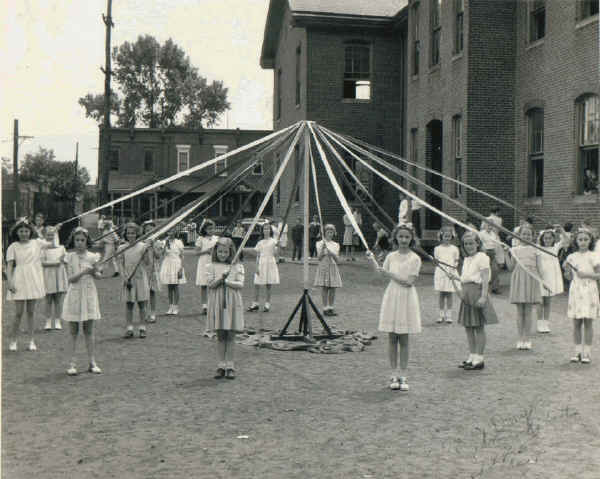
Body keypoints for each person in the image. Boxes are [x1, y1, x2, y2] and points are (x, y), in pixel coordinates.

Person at [366, 224, 421, 392]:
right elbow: (379, 275)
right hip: (392, 296)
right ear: (395, 238)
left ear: (411, 239)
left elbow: (409, 282)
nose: (403, 240)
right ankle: (393, 374)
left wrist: (388, 273)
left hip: (406, 297)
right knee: (392, 338)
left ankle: (403, 375)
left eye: (407, 237)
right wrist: (372, 261)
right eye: (401, 236)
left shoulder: (415, 258)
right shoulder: (391, 256)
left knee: (404, 339)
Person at [449, 231, 498, 370]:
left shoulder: (482, 257)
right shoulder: (467, 259)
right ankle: (472, 355)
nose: (469, 246)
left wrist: (483, 296)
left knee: (478, 326)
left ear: (477, 243)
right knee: (469, 327)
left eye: (471, 243)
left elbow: (484, 278)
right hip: (467, 295)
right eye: (466, 244)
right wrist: (454, 279)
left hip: (477, 294)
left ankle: (479, 358)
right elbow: (466, 278)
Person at [5, 218, 54, 352]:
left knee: (31, 312)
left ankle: (31, 340)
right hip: (19, 279)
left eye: (26, 231)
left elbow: (51, 244)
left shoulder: (36, 242)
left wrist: (53, 232)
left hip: (33, 278)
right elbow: (9, 267)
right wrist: (9, 281)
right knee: (18, 313)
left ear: (30, 231)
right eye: (21, 231)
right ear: (16, 232)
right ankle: (14, 340)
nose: (24, 233)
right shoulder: (12, 247)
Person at [62, 227, 104, 374]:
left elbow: (99, 276)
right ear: (73, 241)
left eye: (82, 240)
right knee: (73, 332)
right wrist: (84, 272)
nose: (79, 243)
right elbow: (70, 279)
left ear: (87, 241)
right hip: (74, 294)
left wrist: (93, 271)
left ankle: (92, 362)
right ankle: (72, 363)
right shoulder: (69, 257)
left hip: (89, 294)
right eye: (77, 240)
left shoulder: (93, 257)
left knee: (89, 331)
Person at [207, 237, 245, 380]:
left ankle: (230, 365)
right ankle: (221, 365)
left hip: (232, 302)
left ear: (231, 252)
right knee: (221, 335)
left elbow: (240, 284)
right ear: (216, 252)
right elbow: (210, 285)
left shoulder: (237, 266)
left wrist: (227, 281)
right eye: (220, 252)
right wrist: (220, 279)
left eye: (226, 252)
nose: (223, 255)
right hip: (218, 301)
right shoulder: (211, 266)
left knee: (230, 335)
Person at [504, 224, 547, 350]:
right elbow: (511, 268)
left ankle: (526, 338)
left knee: (528, 311)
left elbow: (540, 268)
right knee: (519, 311)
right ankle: (520, 338)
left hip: (531, 279)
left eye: (528, 234)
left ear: (532, 236)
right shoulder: (515, 249)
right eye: (523, 234)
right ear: (519, 235)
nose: (526, 236)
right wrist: (507, 254)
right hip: (519, 279)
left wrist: (543, 281)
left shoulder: (536, 249)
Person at [563, 228, 600, 363]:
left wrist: (586, 275)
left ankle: (587, 353)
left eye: (586, 239)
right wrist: (566, 270)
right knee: (577, 322)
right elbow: (568, 277)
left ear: (590, 241)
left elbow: (598, 275)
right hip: (576, 291)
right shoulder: (572, 257)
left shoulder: (594, 256)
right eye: (580, 239)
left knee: (588, 322)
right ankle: (577, 352)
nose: (583, 242)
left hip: (589, 290)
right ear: (576, 241)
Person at [118, 222, 150, 339]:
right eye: (128, 233)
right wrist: (124, 277)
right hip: (128, 280)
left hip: (140, 278)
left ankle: (142, 328)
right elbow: (120, 264)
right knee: (129, 304)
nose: (131, 235)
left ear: (137, 234)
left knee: (142, 304)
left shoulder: (142, 246)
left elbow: (147, 262)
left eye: (133, 233)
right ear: (125, 234)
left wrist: (146, 250)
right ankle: (129, 328)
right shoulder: (122, 248)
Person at [536, 226, 569, 333]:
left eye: (549, 238)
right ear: (542, 239)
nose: (547, 240)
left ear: (553, 239)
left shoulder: (555, 247)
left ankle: (546, 323)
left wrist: (562, 230)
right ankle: (539, 323)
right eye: (545, 238)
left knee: (548, 301)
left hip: (551, 277)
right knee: (540, 301)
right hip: (541, 276)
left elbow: (566, 240)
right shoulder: (538, 248)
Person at [245, 222, 280, 313]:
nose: (266, 231)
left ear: (270, 231)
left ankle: (267, 304)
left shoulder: (274, 241)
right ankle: (255, 304)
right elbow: (257, 255)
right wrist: (256, 266)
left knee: (268, 284)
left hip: (270, 263)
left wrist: (278, 246)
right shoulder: (260, 242)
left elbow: (276, 254)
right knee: (257, 284)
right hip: (262, 263)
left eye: (268, 229)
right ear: (262, 231)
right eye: (264, 229)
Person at [41, 226, 68, 331]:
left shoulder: (61, 248)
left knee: (58, 300)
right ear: (44, 236)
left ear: (55, 235)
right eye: (48, 235)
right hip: (48, 275)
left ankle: (57, 321)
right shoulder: (42, 249)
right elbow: (42, 263)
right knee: (48, 300)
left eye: (52, 234)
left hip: (59, 276)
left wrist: (63, 259)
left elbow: (65, 260)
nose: (50, 237)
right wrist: (56, 263)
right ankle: (48, 321)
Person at [433, 226, 460, 324]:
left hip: (451, 272)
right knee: (441, 294)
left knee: (449, 294)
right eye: (445, 236)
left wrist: (453, 268)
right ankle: (440, 315)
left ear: (451, 237)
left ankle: (449, 315)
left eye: (449, 236)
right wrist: (435, 262)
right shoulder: (437, 248)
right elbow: (436, 261)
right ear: (442, 236)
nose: (447, 238)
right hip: (441, 272)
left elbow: (456, 260)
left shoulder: (455, 248)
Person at [314, 224, 342, 316]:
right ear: (324, 233)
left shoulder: (336, 244)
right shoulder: (320, 243)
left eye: (331, 232)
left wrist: (331, 253)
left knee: (333, 288)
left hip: (332, 266)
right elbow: (319, 258)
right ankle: (325, 308)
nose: (330, 234)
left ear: (333, 233)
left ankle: (331, 307)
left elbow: (337, 260)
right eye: (328, 232)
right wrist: (322, 250)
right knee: (325, 287)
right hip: (324, 266)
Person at [159, 228, 186, 315]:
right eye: (169, 231)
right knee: (169, 287)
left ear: (176, 232)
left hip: (176, 264)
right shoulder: (164, 242)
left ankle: (176, 307)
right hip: (167, 264)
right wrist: (165, 244)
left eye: (172, 231)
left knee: (175, 286)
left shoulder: (179, 242)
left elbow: (182, 256)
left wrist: (181, 268)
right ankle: (170, 307)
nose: (171, 233)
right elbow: (161, 254)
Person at [195, 220, 219, 317]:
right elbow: (196, 252)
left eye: (213, 228)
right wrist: (206, 251)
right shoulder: (201, 239)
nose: (211, 230)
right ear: (204, 229)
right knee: (204, 285)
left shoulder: (216, 238)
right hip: (204, 262)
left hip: (213, 262)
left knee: (213, 284)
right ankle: (204, 306)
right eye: (209, 229)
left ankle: (213, 304)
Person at [141, 220, 163, 323]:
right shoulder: (141, 243)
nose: (149, 233)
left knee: (152, 292)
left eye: (151, 230)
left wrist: (153, 245)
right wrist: (146, 246)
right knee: (144, 292)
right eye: (147, 231)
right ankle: (144, 313)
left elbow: (158, 256)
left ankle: (153, 313)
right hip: (144, 270)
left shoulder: (158, 242)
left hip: (153, 270)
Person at [479, 221, 501, 294]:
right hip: (485, 252)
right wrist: (483, 250)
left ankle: (494, 287)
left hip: (492, 252)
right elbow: (479, 243)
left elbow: (496, 243)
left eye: (491, 226)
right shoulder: (481, 233)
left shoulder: (493, 234)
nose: (490, 227)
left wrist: (496, 252)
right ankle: (483, 287)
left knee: (495, 269)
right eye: (488, 225)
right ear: (485, 225)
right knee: (485, 270)